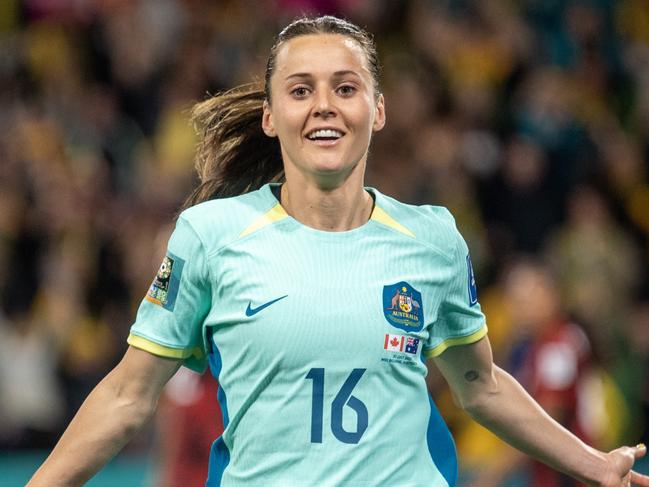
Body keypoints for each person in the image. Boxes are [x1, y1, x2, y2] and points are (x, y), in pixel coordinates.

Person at [28, 15, 649, 487]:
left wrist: (594, 465)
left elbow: (480, 384)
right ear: (270, 116)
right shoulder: (210, 235)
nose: (324, 104)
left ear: (376, 110)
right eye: (300, 90)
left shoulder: (432, 238)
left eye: (344, 87)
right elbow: (126, 397)